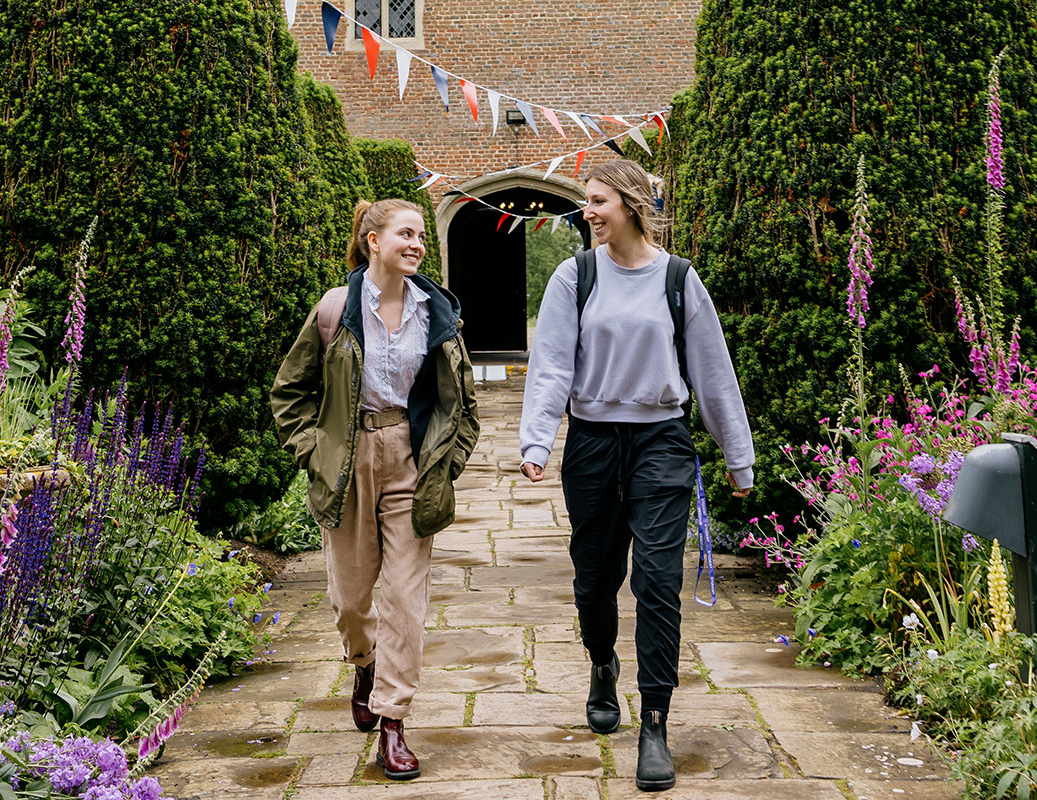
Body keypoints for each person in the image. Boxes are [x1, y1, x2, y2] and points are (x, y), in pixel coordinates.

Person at [518, 160, 755, 792]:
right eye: (586, 202)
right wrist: (537, 439)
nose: (588, 211)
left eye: (598, 200)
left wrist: (739, 456)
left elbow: (712, 370)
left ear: (629, 203)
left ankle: (654, 723)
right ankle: (602, 665)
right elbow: (550, 365)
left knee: (656, 582)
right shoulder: (576, 275)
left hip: (661, 440)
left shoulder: (678, 279)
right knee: (595, 580)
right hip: (593, 442)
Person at [272, 198, 480, 781]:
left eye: (420, 235)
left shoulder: (436, 312)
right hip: (348, 458)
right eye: (406, 234)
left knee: (404, 600)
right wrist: (314, 452)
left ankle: (392, 720)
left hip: (410, 460)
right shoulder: (336, 309)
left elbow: (463, 405)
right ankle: (363, 665)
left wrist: (446, 463)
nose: (417, 244)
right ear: (372, 241)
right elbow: (289, 393)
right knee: (350, 600)